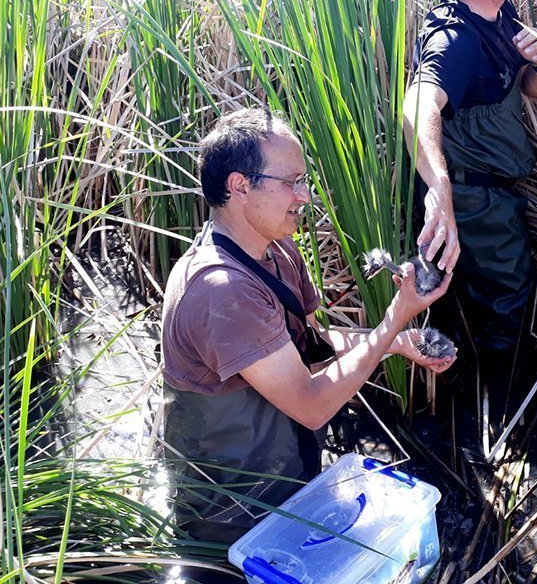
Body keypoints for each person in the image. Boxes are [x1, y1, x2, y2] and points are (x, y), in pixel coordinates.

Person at [161, 108, 453, 544]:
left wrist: (396, 340)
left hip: (286, 485)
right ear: (240, 186)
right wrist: (395, 316)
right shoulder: (220, 290)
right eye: (291, 182)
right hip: (233, 517)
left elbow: (312, 345)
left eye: (304, 181)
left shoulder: (277, 249)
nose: (306, 196)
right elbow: (312, 405)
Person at [403, 0, 537, 416]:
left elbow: (530, 89)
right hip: (478, 203)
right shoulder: (456, 42)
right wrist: (441, 188)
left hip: (493, 196)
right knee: (508, 302)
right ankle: (506, 413)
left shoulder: (496, 17)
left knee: (488, 303)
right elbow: (418, 106)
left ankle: (478, 405)